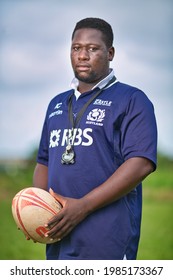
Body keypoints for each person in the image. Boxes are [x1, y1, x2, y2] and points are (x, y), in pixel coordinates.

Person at [33, 17, 157, 260]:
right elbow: (44, 162)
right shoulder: (56, 104)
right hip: (60, 236)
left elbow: (141, 162)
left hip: (107, 239)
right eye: (76, 48)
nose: (82, 55)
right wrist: (36, 209)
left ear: (110, 53)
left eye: (92, 48)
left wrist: (83, 206)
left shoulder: (132, 99)